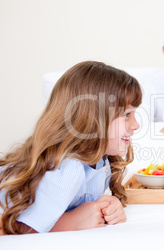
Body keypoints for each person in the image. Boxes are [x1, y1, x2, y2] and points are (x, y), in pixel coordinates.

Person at [0, 61, 142, 235]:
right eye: (127, 115)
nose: (136, 125)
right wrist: (71, 223)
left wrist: (108, 206)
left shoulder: (99, 160)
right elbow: (14, 226)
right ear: (92, 120)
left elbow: (72, 203)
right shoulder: (68, 168)